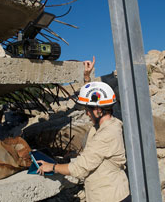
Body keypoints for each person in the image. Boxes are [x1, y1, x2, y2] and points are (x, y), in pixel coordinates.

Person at [37, 57, 131, 202]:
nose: (86, 113)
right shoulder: (108, 124)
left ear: (99, 110)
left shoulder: (106, 134)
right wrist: (87, 77)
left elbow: (79, 169)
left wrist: (53, 167)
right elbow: (94, 97)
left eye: (88, 109)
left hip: (110, 197)